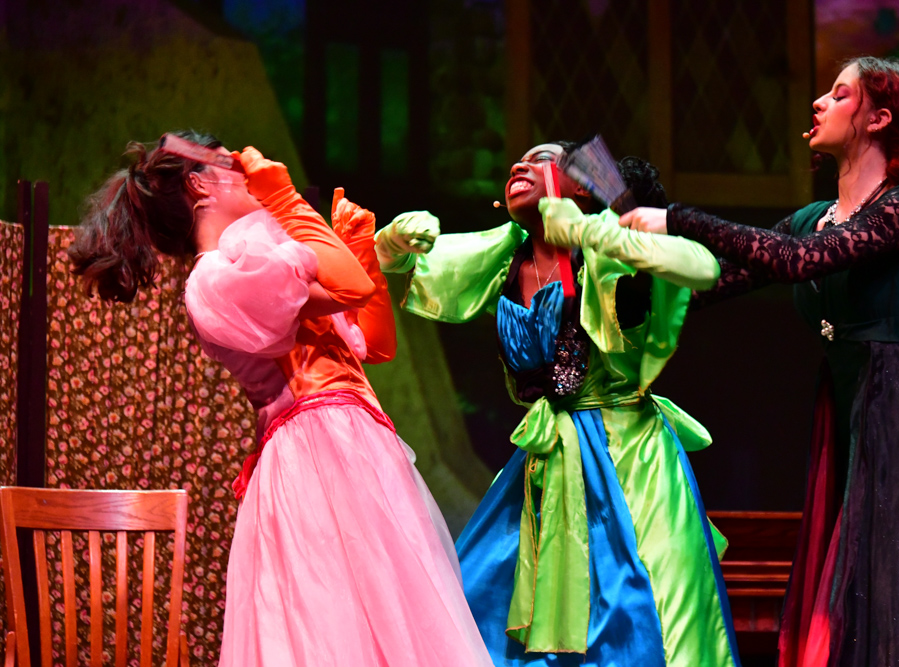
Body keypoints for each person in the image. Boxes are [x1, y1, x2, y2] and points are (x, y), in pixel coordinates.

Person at [618, 56, 899, 666]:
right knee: (850, 597)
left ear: (878, 118)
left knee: (894, 601)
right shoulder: (810, 220)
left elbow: (799, 261)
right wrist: (622, 255)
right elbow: (709, 285)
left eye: (840, 94)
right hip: (849, 413)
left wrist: (679, 219)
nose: (819, 102)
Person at [69, 131, 493, 666]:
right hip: (315, 455)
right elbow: (349, 287)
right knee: (331, 631)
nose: (253, 172)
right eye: (234, 166)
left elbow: (373, 342)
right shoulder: (217, 278)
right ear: (201, 186)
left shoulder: (260, 258)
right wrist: (288, 199)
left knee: (392, 622)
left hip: (353, 442)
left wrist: (363, 251)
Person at [376, 144, 742, 666]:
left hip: (628, 461)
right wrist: (392, 246)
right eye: (517, 161)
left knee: (639, 624)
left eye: (541, 158)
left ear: (581, 190)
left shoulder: (606, 252)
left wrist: (592, 232)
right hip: (545, 465)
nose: (518, 166)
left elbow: (701, 266)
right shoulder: (507, 254)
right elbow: (400, 266)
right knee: (472, 610)